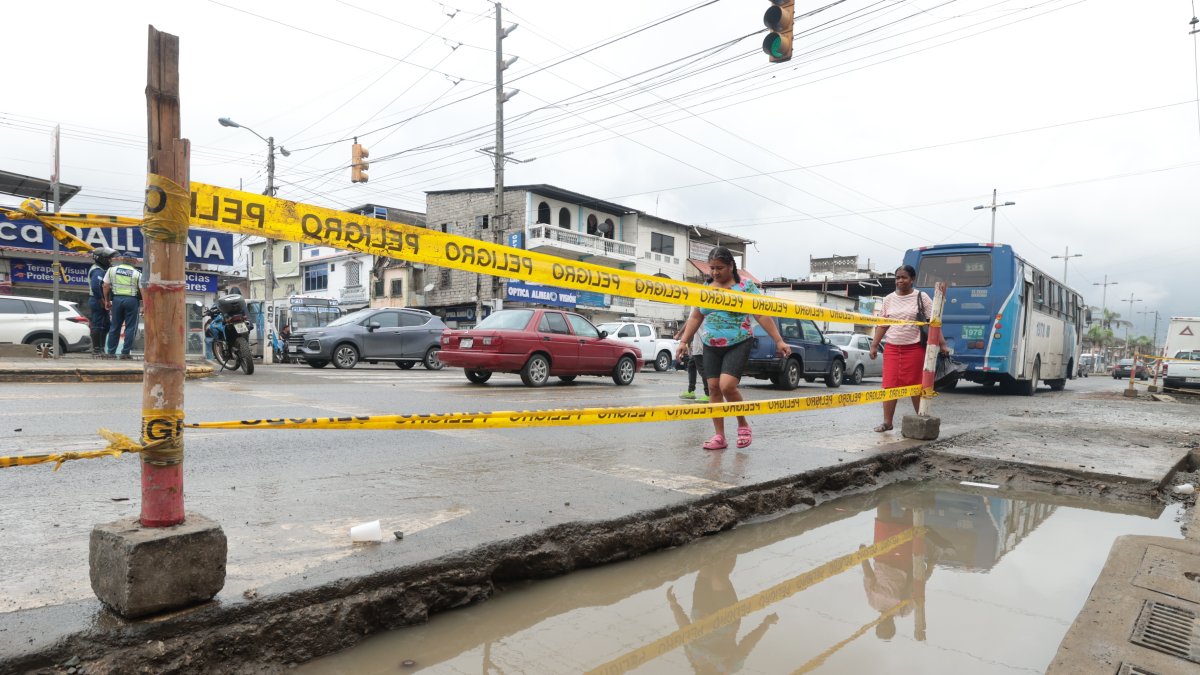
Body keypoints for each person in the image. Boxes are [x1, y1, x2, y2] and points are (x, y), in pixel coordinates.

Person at [677, 247, 791, 450]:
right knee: (713, 388)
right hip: (710, 344)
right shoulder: (706, 288)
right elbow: (696, 316)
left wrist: (779, 340)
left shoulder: (745, 286)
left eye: (719, 268)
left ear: (731, 266)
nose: (714, 273)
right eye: (711, 268)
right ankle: (719, 436)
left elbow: (762, 314)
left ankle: (743, 425)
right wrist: (683, 341)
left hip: (739, 341)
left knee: (727, 386)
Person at [868, 265, 946, 432]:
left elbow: (934, 322)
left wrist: (942, 344)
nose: (900, 281)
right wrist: (874, 345)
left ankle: (921, 420)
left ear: (912, 280)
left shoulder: (922, 297)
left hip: (915, 349)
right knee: (889, 386)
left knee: (917, 386)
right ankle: (887, 423)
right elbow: (883, 325)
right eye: (897, 278)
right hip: (892, 349)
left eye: (904, 277)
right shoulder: (888, 299)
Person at [103, 251, 142, 360]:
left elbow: (105, 286)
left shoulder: (112, 270)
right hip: (132, 301)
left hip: (116, 300)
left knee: (115, 326)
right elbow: (143, 291)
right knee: (130, 328)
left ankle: (111, 353)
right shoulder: (137, 274)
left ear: (123, 259)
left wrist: (107, 300)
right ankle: (125, 353)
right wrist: (144, 305)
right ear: (134, 261)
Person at [87, 247, 116, 357]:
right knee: (97, 325)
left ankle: (102, 349)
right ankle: (96, 350)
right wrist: (102, 301)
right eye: (109, 258)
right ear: (102, 259)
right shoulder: (97, 270)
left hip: (104, 300)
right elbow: (95, 287)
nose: (110, 260)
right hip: (97, 300)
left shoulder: (104, 270)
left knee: (106, 325)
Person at [677, 316, 710, 403]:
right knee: (691, 365)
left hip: (701, 343)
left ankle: (708, 394)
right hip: (697, 343)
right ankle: (691, 391)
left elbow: (690, 321)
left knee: (702, 369)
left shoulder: (697, 307)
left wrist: (679, 335)